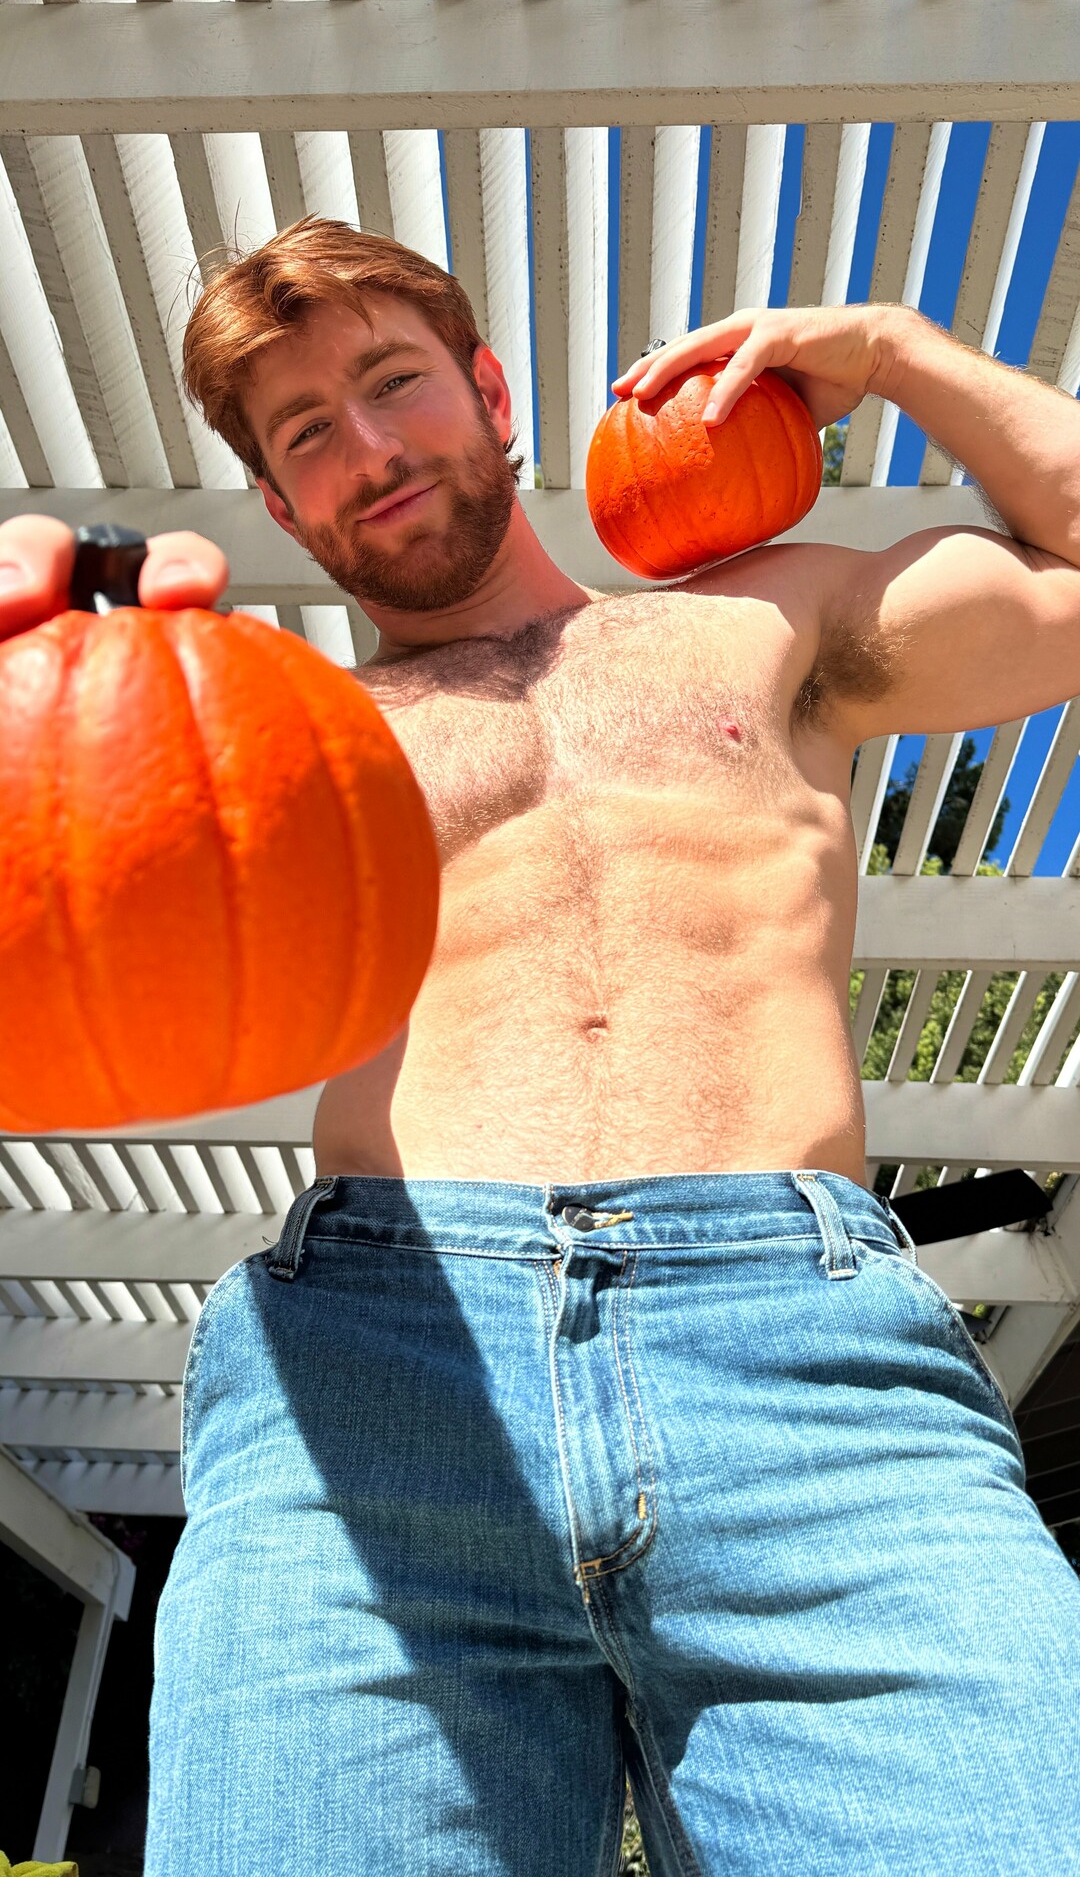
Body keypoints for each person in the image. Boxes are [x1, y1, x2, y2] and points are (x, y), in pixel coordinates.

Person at [5, 217, 1080, 1872]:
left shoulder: (765, 622)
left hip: (806, 1370)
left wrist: (887, 346)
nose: (370, 448)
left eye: (394, 384)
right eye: (306, 433)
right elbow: (67, 945)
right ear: (278, 506)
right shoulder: (282, 742)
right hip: (382, 1361)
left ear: (492, 394)